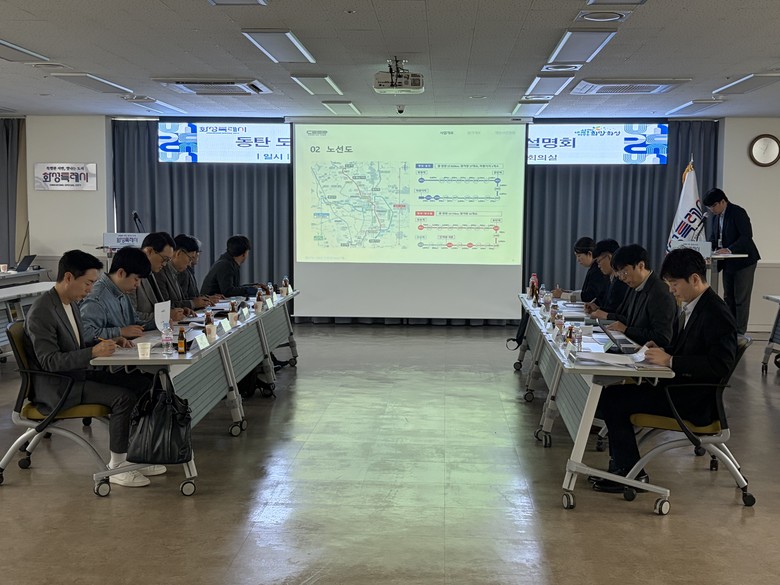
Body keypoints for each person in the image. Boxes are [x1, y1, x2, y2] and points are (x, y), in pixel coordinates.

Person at [592, 248, 737, 493]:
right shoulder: (697, 305)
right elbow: (690, 349)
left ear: (694, 279)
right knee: (612, 394)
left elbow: (720, 364)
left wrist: (671, 360)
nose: (671, 290)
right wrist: (663, 350)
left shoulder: (715, 312)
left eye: (674, 284)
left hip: (694, 400)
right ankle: (622, 468)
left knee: (613, 400)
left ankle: (630, 474)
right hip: (681, 389)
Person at [23, 250, 165, 488]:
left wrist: (111, 340)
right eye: (87, 283)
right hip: (59, 386)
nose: (90, 289)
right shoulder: (43, 311)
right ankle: (117, 466)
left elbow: (79, 342)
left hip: (79, 374)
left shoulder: (70, 303)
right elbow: (50, 362)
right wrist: (92, 352)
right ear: (69, 277)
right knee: (123, 398)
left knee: (144, 384)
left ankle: (136, 454)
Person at [590, 244, 675, 347]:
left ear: (641, 266)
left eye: (624, 272)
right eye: (619, 274)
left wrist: (626, 330)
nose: (622, 278)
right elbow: (629, 319)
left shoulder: (660, 292)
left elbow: (662, 337)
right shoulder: (634, 286)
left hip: (645, 351)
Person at [703, 187, 761, 334]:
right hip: (727, 262)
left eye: (713, 206)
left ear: (723, 201)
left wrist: (729, 249)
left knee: (740, 298)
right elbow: (714, 238)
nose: (711, 210)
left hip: (744, 262)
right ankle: (729, 329)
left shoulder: (738, 212)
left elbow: (746, 236)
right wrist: (707, 249)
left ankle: (740, 332)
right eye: (709, 208)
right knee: (728, 297)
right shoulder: (716, 217)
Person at [80, 246, 152, 342]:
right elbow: (85, 334)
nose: (138, 285)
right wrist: (120, 332)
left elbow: (134, 322)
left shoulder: (122, 292)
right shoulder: (97, 297)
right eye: (136, 279)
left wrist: (159, 322)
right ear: (121, 273)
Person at [129, 232, 186, 324]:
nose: (164, 264)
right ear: (149, 251)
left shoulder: (152, 273)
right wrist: (165, 316)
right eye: (164, 259)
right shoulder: (131, 275)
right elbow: (130, 316)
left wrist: (176, 311)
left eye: (168, 260)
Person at [154, 234, 213, 310]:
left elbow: (181, 299)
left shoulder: (175, 272)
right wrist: (193, 303)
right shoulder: (160, 272)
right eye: (190, 259)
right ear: (178, 253)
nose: (189, 264)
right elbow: (164, 306)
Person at [552, 237, 609, 303]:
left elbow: (587, 296)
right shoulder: (593, 268)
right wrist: (567, 292)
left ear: (589, 254)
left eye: (579, 256)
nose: (577, 260)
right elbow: (585, 292)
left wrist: (562, 295)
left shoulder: (597, 270)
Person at [584, 239, 629, 315]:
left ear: (609, 257)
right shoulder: (608, 279)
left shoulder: (623, 281)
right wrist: (597, 308)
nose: (598, 266)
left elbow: (618, 312)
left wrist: (601, 311)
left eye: (599, 261)